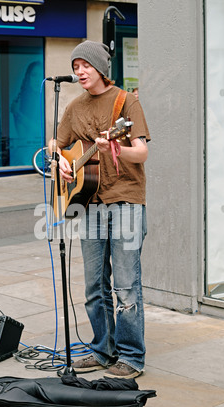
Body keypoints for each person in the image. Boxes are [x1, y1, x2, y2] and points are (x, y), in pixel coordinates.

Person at [50, 40, 150, 379]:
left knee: (125, 286)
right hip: (88, 202)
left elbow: (141, 154)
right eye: (75, 66)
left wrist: (114, 148)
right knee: (94, 287)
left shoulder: (126, 101)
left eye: (85, 65)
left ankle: (132, 357)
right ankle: (103, 351)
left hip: (125, 200)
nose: (79, 71)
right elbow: (56, 145)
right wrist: (61, 164)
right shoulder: (75, 107)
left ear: (100, 68)